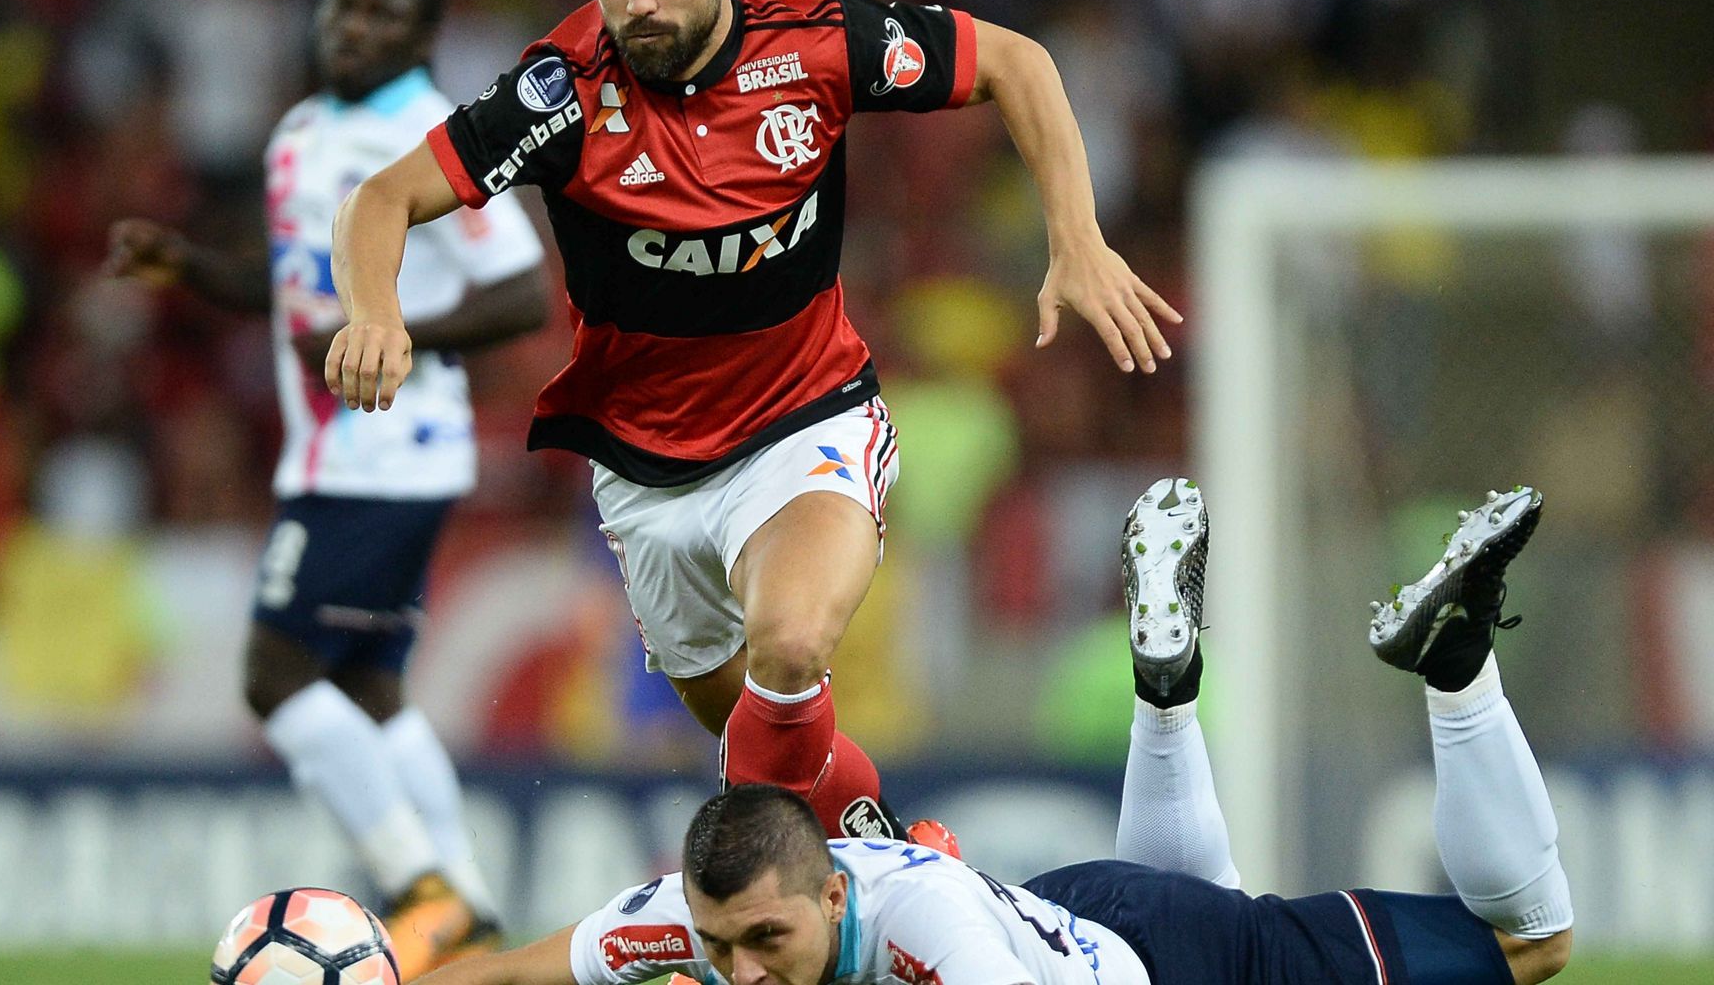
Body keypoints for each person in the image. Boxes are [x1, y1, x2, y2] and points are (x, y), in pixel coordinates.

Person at [324, 0, 1182, 842]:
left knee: (791, 644)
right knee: (763, 752)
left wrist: (1077, 237)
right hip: (646, 475)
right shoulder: (561, 94)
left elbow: (1017, 61)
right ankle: (888, 862)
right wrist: (375, 311)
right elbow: (383, 198)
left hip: (805, 418)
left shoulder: (815, 46)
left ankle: (791, 904)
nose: (637, 4)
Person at [404, 482, 1574, 985]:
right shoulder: (706, 913)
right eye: (721, 952)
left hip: (1156, 958)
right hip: (1084, 916)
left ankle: (1455, 666)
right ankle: (1163, 694)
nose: (743, 972)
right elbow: (511, 970)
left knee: (1533, 948)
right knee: (1187, 894)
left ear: (831, 901)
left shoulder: (926, 926)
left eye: (764, 940)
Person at [104, 0, 549, 977]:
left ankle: (420, 888)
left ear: (422, 37)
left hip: (388, 448)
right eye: (344, 7)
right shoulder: (302, 131)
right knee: (365, 688)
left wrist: (389, 332)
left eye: (383, 15)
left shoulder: (431, 140)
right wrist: (193, 268)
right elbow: (297, 285)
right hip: (330, 448)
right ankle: (469, 907)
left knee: (274, 675)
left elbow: (521, 296)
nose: (353, 28)